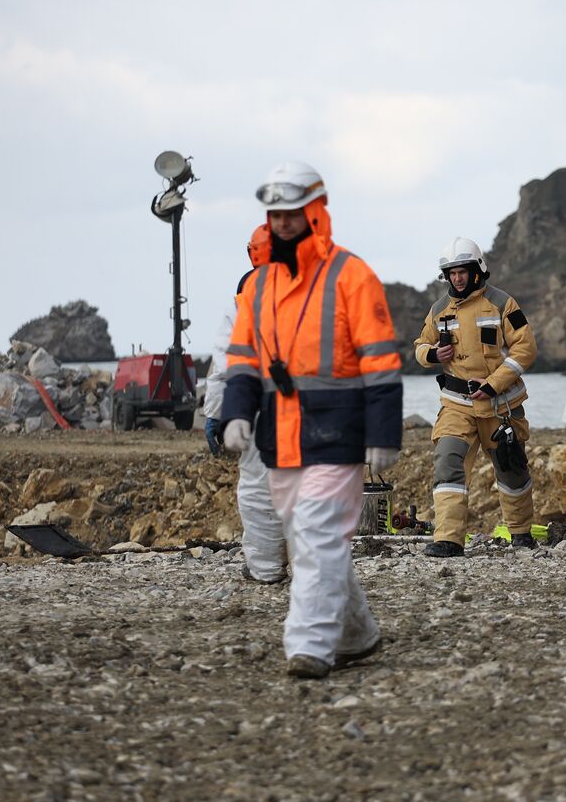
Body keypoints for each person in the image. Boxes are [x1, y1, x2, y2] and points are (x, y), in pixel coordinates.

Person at [221, 161, 403, 679]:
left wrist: (383, 433)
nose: (281, 222)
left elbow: (382, 361)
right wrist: (236, 413)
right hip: (280, 435)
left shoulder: (353, 276)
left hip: (339, 433)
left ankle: (310, 646)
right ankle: (358, 633)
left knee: (318, 533)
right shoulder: (257, 288)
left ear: (314, 211)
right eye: (274, 213)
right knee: (309, 540)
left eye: (291, 212)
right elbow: (243, 360)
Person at [413, 237, 537, 557]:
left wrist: (495, 383)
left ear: (477, 269)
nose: (457, 278)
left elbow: (525, 348)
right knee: (447, 463)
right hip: (456, 405)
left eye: (462, 271)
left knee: (511, 470)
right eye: (451, 273)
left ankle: (521, 532)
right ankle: (449, 540)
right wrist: (431, 354)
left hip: (500, 405)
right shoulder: (439, 310)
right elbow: (419, 346)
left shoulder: (503, 303)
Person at [205, 224, 286, 583]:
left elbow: (225, 365)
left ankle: (267, 569)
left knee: (258, 487)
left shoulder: (243, 300)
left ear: (253, 253)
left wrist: (215, 415)